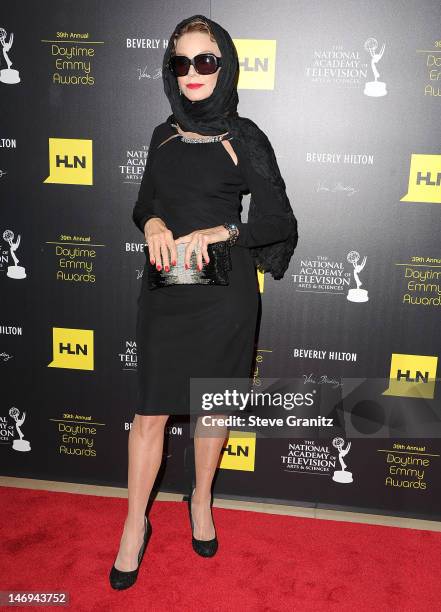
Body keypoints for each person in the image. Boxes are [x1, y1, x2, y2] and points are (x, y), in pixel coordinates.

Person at [109, 14, 298, 590]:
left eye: (205, 61)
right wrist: (156, 223)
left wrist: (223, 233)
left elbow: (277, 220)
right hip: (167, 289)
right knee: (150, 414)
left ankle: (201, 503)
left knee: (212, 407)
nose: (193, 73)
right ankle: (133, 525)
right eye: (181, 63)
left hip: (225, 296)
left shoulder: (246, 138)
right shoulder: (162, 134)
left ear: (225, 66)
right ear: (171, 72)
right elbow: (145, 202)